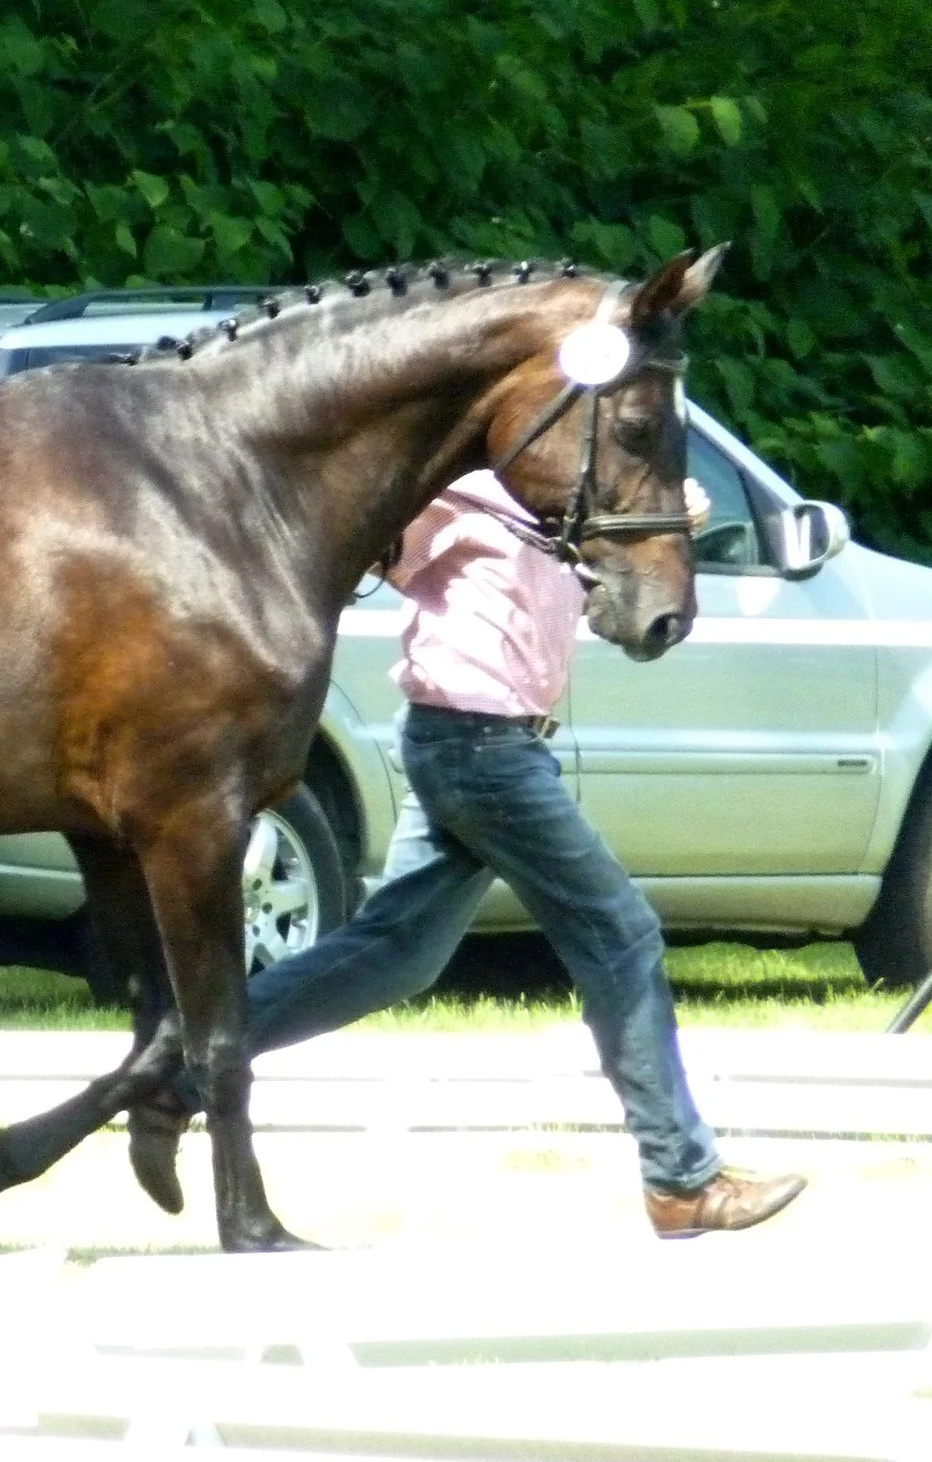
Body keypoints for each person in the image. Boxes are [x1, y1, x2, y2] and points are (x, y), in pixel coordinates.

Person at [130, 471, 808, 1241]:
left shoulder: (556, 498)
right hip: (477, 747)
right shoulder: (460, 492)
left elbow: (606, 566)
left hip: (487, 742)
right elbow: (364, 543)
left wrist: (660, 515)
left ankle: (174, 1081)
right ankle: (681, 1177)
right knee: (620, 935)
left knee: (397, 955)